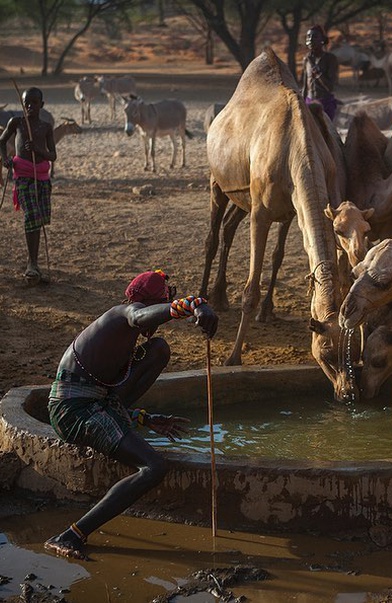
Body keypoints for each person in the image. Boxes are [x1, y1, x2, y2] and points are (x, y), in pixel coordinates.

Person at [44, 270, 219, 560]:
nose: (156, 320)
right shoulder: (124, 314)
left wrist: (145, 419)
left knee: (159, 349)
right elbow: (140, 317)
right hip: (73, 410)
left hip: (95, 403)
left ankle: (73, 533)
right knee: (154, 467)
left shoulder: (129, 339)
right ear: (148, 304)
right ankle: (70, 535)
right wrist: (193, 304)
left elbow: (107, 395)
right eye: (162, 304)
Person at [0, 87, 56, 280]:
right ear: (23, 106)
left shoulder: (46, 127)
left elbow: (53, 156)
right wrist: (6, 159)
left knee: (38, 219)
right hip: (22, 176)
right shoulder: (16, 123)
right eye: (27, 103)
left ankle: (34, 261)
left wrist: (38, 150)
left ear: (42, 104)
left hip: (41, 178)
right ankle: (31, 263)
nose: (31, 106)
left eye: (34, 102)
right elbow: (2, 141)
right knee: (31, 214)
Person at [301, 25, 339, 120]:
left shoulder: (330, 59)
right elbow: (305, 85)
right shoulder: (307, 59)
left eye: (314, 36)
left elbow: (330, 87)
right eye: (308, 36)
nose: (310, 39)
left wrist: (317, 73)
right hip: (309, 102)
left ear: (322, 40)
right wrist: (301, 103)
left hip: (325, 103)